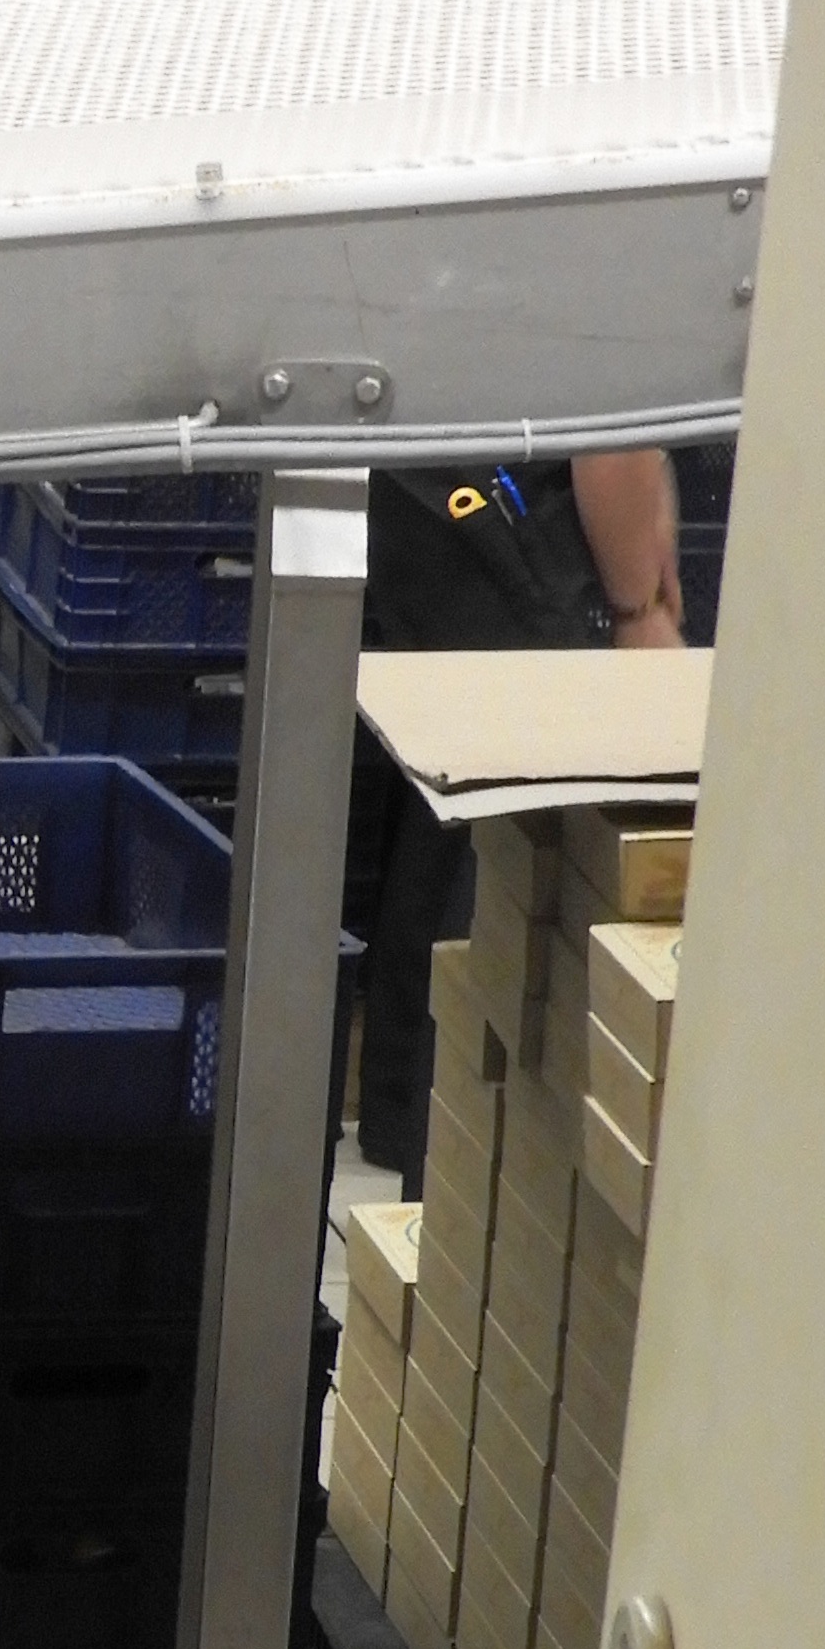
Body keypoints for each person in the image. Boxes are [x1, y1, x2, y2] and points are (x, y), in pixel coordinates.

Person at [351, 446, 684, 1183]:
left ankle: (409, 1132)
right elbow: (615, 432)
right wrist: (639, 610)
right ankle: (457, 1171)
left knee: (452, 798)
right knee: (515, 837)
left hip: (435, 491)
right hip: (516, 513)